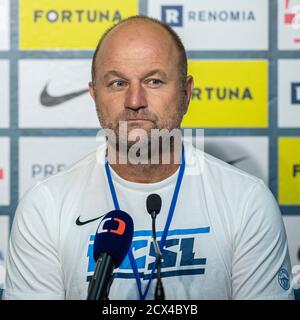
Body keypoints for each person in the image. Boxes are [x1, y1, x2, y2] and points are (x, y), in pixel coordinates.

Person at [4, 15, 294, 300]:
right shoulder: (45, 208)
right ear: (94, 93)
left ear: (186, 92)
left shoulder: (247, 201)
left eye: (154, 81)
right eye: (117, 83)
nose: (134, 101)